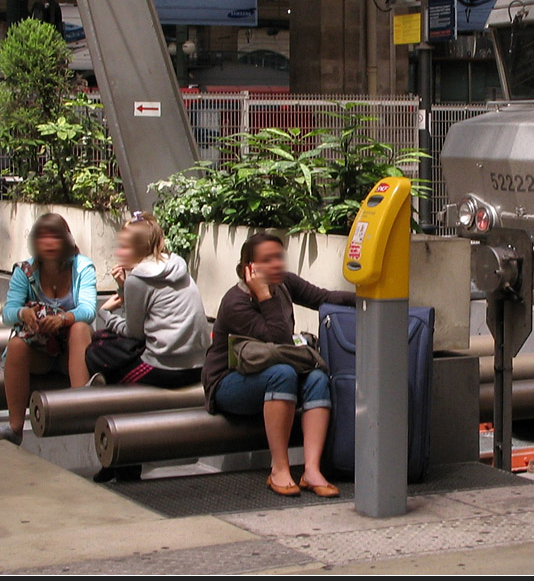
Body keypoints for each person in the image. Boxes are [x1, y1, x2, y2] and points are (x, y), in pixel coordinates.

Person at [201, 232, 355, 497]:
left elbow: (323, 298)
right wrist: (264, 296)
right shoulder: (236, 302)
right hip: (228, 383)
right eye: (267, 260)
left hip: (271, 375)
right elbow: (280, 341)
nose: (276, 265)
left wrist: (368, 298)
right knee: (283, 373)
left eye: (279, 258)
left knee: (317, 377)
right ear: (248, 268)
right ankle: (279, 469)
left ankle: (312, 470)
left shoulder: (284, 284)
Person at [0, 213, 97, 445]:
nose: (49, 244)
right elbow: (8, 313)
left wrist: (64, 318)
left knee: (79, 328)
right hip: (40, 351)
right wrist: (23, 314)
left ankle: (80, 413)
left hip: (72, 350)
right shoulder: (24, 272)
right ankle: (15, 428)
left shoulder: (83, 267)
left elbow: (89, 309)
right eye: (43, 238)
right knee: (16, 344)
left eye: (55, 238)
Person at [94, 212, 210, 387]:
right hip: (201, 364)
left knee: (96, 350)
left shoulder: (138, 279)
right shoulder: (176, 267)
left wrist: (105, 313)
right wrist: (123, 288)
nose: (118, 252)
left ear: (141, 249)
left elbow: (134, 333)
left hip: (167, 367)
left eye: (124, 247)